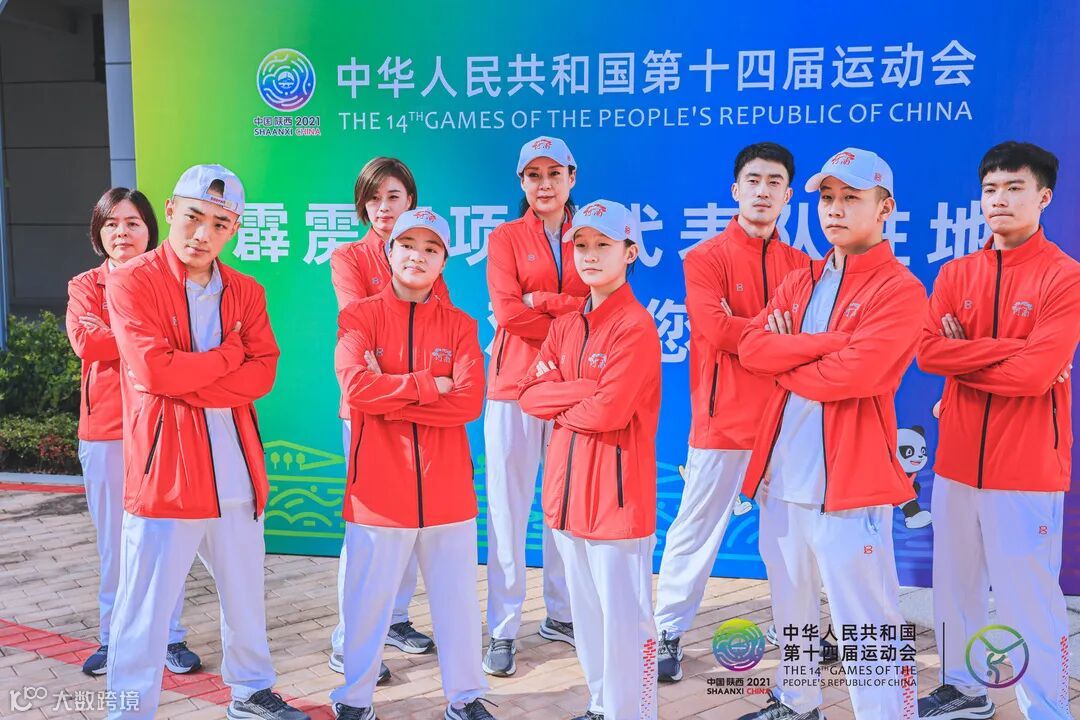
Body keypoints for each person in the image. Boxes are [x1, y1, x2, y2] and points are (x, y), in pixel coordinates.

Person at [104, 164, 307, 720]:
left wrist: (189, 377)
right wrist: (226, 357)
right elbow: (154, 370)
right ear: (170, 210)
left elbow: (263, 372)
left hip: (236, 471)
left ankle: (251, 691)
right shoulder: (131, 281)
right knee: (144, 610)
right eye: (194, 217)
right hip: (166, 475)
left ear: (233, 229)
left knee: (245, 598)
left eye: (220, 224)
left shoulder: (246, 290)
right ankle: (128, 711)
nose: (203, 234)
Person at [736, 149, 926, 720]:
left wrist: (788, 357)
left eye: (851, 198)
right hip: (782, 479)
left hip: (849, 487)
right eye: (826, 198)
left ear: (885, 208)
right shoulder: (801, 280)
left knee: (866, 624)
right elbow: (751, 349)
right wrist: (824, 346)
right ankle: (798, 702)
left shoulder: (899, 289)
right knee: (792, 609)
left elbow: (857, 375)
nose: (834, 210)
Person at [916, 141, 1078, 720]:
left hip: (1026, 465)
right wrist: (1007, 349)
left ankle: (1048, 708)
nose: (1000, 199)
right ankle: (964, 690)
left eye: (1014, 188)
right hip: (957, 460)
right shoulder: (955, 273)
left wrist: (966, 353)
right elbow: (928, 352)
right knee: (954, 585)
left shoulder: (1064, 276)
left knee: (1027, 596)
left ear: (1043, 197)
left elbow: (1035, 375)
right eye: (990, 189)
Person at [330, 209, 495, 720]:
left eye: (430, 249)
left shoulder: (461, 325)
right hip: (377, 491)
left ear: (444, 261)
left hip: (447, 491)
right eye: (407, 245)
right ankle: (354, 698)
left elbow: (467, 403)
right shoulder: (359, 317)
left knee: (457, 603)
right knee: (366, 603)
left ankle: (465, 698)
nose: (417, 256)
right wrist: (428, 384)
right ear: (389, 251)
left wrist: (390, 394)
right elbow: (355, 388)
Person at [655, 142, 810, 682]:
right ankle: (667, 632)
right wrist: (776, 330)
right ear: (735, 190)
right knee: (695, 531)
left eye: (774, 182)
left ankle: (797, 634)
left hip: (785, 422)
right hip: (720, 422)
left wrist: (752, 330)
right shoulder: (705, 257)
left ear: (788, 195)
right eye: (754, 181)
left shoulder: (803, 266)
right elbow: (715, 331)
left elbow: (808, 338)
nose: (763, 191)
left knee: (790, 539)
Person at [519, 199, 661, 720]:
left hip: (616, 502)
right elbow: (529, 396)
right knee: (587, 617)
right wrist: (583, 388)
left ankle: (634, 713)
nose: (590, 254)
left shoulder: (635, 325)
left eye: (603, 244)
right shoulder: (565, 325)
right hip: (566, 497)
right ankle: (602, 705)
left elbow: (610, 411)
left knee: (627, 622)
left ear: (630, 253)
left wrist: (565, 395)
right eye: (581, 245)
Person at [66, 188, 200, 677]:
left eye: (132, 223)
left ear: (150, 230)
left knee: (165, 537)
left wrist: (127, 335)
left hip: (163, 425)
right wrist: (147, 336)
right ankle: (113, 637)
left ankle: (169, 637)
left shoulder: (174, 281)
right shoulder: (86, 285)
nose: (121, 232)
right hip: (105, 429)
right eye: (111, 224)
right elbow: (87, 342)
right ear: (98, 233)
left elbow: (182, 343)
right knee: (115, 542)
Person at [327, 157, 443, 681]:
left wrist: (401, 371)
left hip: (417, 410)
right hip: (367, 411)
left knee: (411, 522)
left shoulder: (426, 252)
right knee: (367, 530)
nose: (383, 208)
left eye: (393, 197)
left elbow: (441, 333)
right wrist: (415, 375)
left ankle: (394, 620)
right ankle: (348, 643)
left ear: (411, 200)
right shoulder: (348, 257)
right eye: (373, 198)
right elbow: (358, 323)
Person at [482, 136, 586, 676]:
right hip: (513, 388)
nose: (544, 185)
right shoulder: (505, 237)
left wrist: (541, 300)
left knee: (564, 506)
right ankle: (502, 629)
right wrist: (569, 315)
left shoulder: (591, 231)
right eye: (533, 175)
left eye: (553, 174)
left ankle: (562, 614)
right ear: (521, 182)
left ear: (572, 176)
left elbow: (599, 306)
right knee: (508, 510)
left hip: (572, 389)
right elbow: (506, 313)